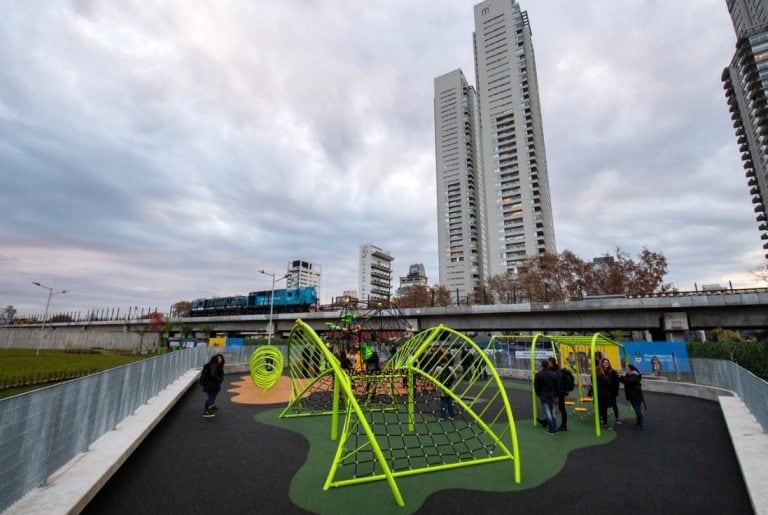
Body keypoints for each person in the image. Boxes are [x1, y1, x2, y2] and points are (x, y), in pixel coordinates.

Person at [534, 359, 559, 434]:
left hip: (543, 395)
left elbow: (536, 386)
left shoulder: (538, 375)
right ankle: (554, 427)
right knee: (552, 412)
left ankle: (551, 429)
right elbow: (557, 386)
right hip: (552, 395)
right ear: (548, 365)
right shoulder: (553, 374)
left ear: (542, 366)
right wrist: (556, 395)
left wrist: (538, 393)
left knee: (547, 412)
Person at [596, 358, 620, 428]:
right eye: (604, 362)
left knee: (614, 404)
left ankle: (617, 418)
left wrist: (615, 391)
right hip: (603, 392)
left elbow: (616, 383)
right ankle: (602, 420)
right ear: (602, 364)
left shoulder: (613, 372)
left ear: (609, 363)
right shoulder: (600, 372)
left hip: (612, 392)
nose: (606, 364)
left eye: (607, 362)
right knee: (603, 406)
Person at [620, 364, 645, 429]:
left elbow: (629, 381)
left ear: (630, 369)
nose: (625, 370)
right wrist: (620, 377)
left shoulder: (634, 375)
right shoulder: (630, 375)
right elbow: (625, 380)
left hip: (636, 396)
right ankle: (638, 423)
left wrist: (622, 377)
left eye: (627, 369)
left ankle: (640, 424)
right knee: (636, 410)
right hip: (632, 396)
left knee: (638, 410)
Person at [200, 353, 225, 418]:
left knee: (213, 395)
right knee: (210, 397)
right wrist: (219, 379)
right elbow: (212, 375)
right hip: (210, 385)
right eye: (219, 358)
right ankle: (206, 412)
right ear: (215, 359)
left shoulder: (217, 366)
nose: (220, 359)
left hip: (213, 385)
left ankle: (211, 406)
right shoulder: (213, 366)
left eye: (221, 358)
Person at [434, 354, 457, 420]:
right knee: (450, 401)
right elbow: (455, 377)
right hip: (450, 387)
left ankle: (442, 416)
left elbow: (434, 377)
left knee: (443, 401)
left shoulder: (438, 368)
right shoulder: (450, 368)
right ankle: (452, 416)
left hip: (441, 387)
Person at [548, 357, 568, 432]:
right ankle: (546, 421)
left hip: (559, 393)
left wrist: (556, 396)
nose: (548, 364)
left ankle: (564, 425)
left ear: (552, 363)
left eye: (549, 363)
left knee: (561, 408)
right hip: (558, 392)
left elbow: (558, 384)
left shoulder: (557, 372)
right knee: (552, 407)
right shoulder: (555, 370)